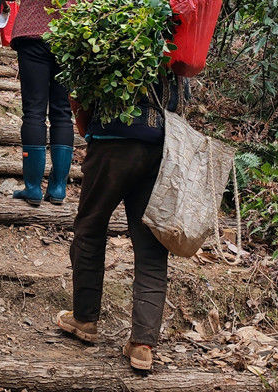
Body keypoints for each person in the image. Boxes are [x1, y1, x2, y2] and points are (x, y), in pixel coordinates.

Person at [55, 74, 190, 372]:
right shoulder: (174, 40)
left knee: (90, 229)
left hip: (111, 143)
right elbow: (182, 99)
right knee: (151, 247)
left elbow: (78, 91)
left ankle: (85, 319)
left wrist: (88, 126)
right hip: (158, 146)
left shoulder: (110, 30)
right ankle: (143, 344)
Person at [0, 0, 74, 206]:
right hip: (70, 35)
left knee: (34, 111)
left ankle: (32, 187)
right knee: (63, 112)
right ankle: (59, 189)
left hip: (33, 34)